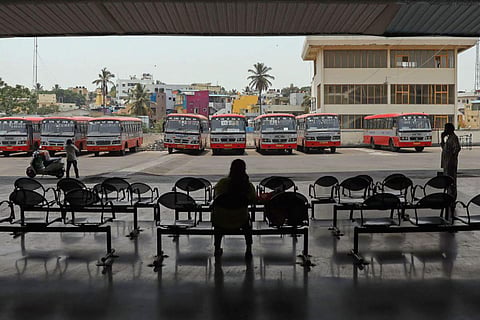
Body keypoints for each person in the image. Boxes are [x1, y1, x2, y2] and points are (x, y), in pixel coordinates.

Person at [212, 159, 256, 259]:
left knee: (217, 226)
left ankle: (217, 248)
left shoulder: (222, 183)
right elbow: (253, 200)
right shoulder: (247, 185)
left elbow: (216, 197)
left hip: (221, 220)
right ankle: (248, 249)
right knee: (248, 224)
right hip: (240, 219)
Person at [441, 122, 461, 199]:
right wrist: (442, 139)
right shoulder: (449, 138)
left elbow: (457, 148)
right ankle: (449, 194)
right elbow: (444, 148)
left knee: (451, 180)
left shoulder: (453, 138)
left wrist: (452, 157)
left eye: (446, 128)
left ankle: (452, 196)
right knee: (447, 180)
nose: (445, 130)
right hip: (447, 163)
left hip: (451, 163)